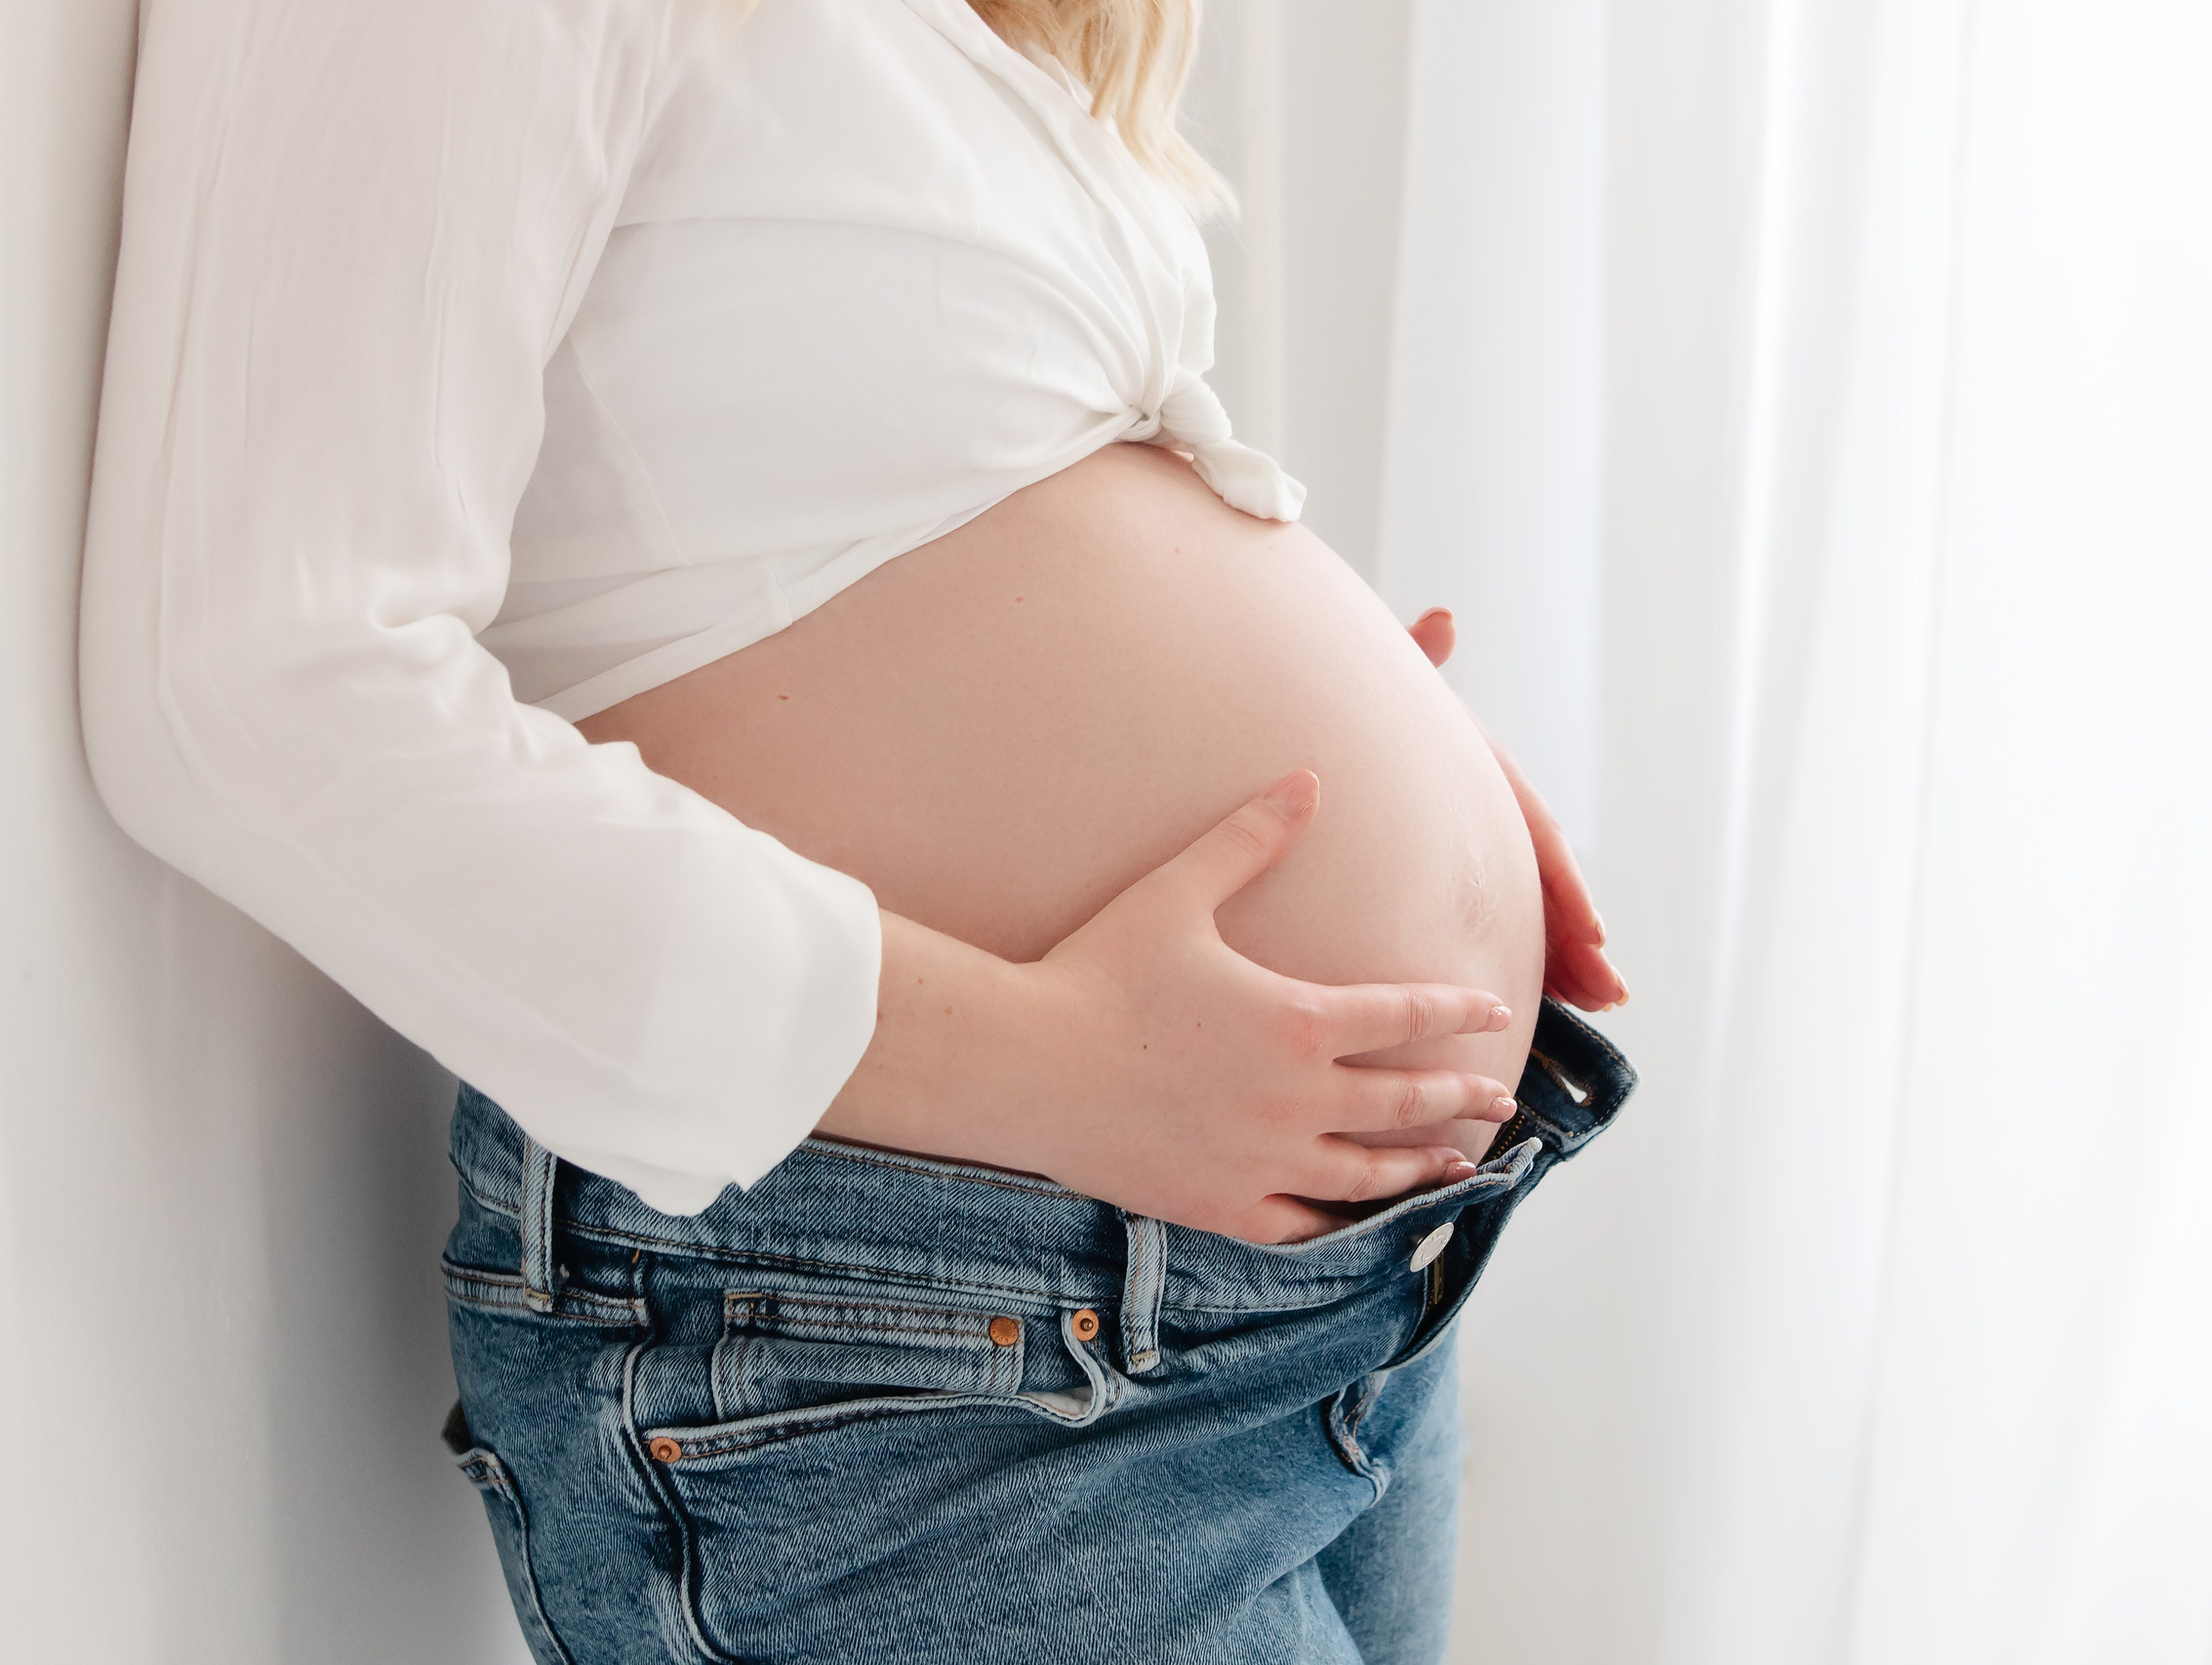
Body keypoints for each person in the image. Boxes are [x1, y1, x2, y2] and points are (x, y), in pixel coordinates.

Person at [80, 1, 1635, 1659]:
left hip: (1303, 1290)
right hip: (913, 1333)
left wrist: (1337, 716)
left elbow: (834, 489)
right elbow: (249, 689)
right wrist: (1043, 1053)